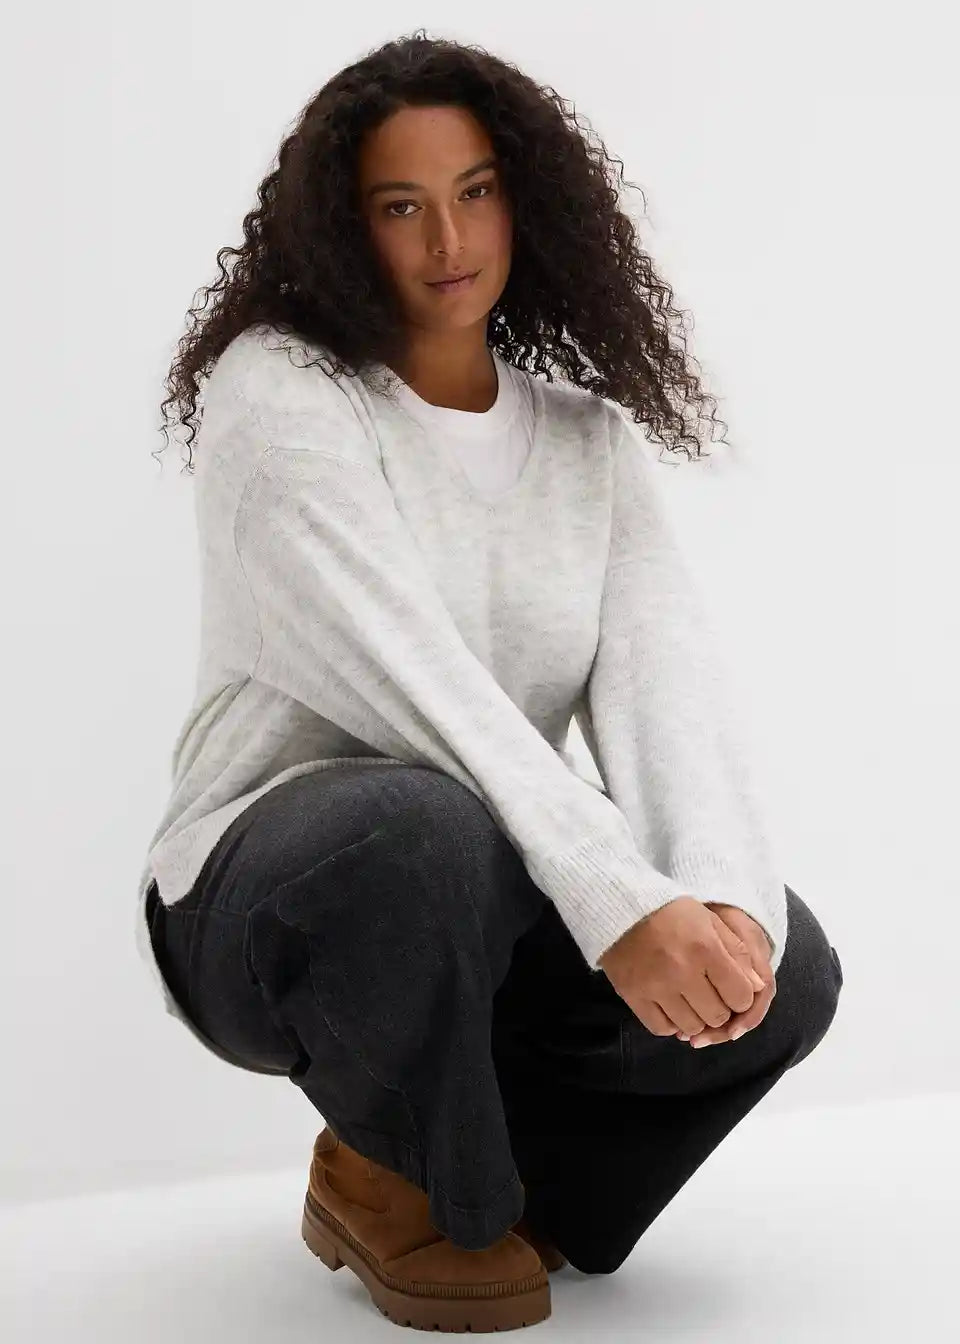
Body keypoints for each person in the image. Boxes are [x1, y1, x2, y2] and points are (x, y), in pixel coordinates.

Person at [139, 30, 844, 1332]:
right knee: (422, 823)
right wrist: (617, 902)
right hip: (261, 903)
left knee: (782, 973)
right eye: (399, 206)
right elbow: (423, 691)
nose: (448, 239)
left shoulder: (587, 442)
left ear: (526, 198)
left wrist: (717, 900)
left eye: (475, 192)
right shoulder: (283, 396)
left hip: (491, 891)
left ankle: (504, 1186)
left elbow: (666, 688)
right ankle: (414, 1178)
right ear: (343, 228)